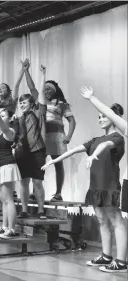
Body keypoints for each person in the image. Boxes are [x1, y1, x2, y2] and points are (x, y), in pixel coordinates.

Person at [71, 86, 126, 273]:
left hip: (110, 184)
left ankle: (121, 261)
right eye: (99, 116)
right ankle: (107, 255)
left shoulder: (118, 136)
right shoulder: (103, 137)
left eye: (105, 115)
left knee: (115, 219)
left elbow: (106, 142)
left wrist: (92, 98)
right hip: (98, 185)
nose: (102, 118)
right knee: (103, 219)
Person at [14, 60, 48, 219]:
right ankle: (24, 210)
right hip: (22, 152)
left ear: (31, 103)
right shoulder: (19, 118)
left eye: (24, 102)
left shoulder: (38, 112)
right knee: (23, 182)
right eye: (20, 102)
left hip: (37, 150)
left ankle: (41, 210)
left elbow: (39, 92)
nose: (21, 104)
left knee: (37, 182)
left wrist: (43, 75)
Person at [40, 65, 76, 202]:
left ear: (54, 91)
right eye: (44, 89)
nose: (46, 91)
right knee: (40, 163)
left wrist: (68, 136)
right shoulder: (40, 103)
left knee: (58, 164)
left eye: (49, 89)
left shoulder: (61, 104)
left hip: (57, 137)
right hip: (43, 136)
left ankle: (58, 193)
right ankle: (36, 190)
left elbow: (72, 121)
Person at [0, 98, 21, 239]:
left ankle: (12, 229)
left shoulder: (10, 131)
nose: (0, 118)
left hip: (8, 166)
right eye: (0, 115)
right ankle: (5, 226)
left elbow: (2, 125)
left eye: (3, 115)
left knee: (8, 199)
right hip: (0, 167)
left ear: (11, 118)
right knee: (3, 200)